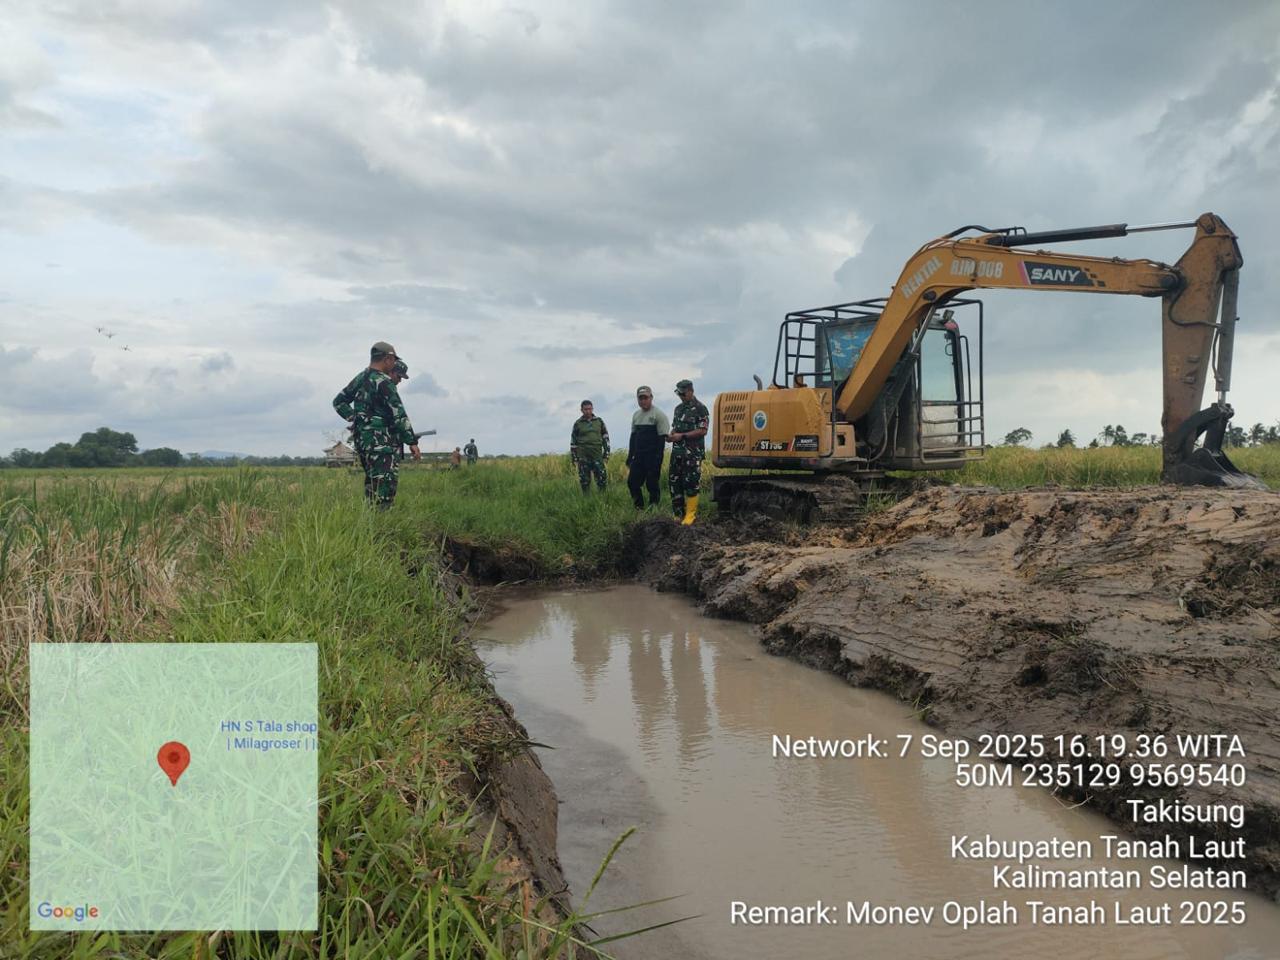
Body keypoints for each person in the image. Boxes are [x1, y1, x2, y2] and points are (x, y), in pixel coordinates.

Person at [332, 341, 420, 508]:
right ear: (387, 359)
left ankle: (370, 520)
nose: (393, 364)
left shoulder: (361, 377)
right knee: (385, 489)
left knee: (372, 486)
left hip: (362, 441)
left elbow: (339, 402)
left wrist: (356, 418)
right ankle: (382, 521)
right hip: (381, 444)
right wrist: (412, 441)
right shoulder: (384, 381)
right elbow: (399, 414)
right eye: (393, 360)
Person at [668, 379, 709, 524]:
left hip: (692, 454)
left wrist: (682, 436)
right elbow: (675, 428)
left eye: (683, 394)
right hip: (677, 453)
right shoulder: (678, 409)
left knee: (691, 483)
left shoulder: (700, 408)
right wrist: (671, 435)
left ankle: (690, 515)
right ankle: (677, 514)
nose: (681, 396)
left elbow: (703, 430)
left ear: (691, 391)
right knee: (674, 483)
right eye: (679, 394)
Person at [626, 385, 669, 509]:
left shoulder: (659, 415)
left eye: (646, 398)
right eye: (640, 398)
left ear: (651, 398)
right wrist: (630, 456)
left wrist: (658, 460)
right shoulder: (636, 415)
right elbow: (633, 437)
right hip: (639, 456)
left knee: (652, 483)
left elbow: (662, 440)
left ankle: (653, 507)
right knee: (632, 482)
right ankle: (639, 508)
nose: (643, 401)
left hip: (653, 456)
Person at [570, 399, 610, 493]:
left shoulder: (599, 421)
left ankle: (602, 498)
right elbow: (573, 442)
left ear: (592, 409)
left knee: (601, 480)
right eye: (586, 409)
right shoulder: (578, 423)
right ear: (581, 410)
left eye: (590, 409)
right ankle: (586, 499)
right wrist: (574, 458)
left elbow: (606, 438)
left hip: (597, 456)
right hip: (583, 457)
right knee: (584, 481)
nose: (588, 411)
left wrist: (607, 453)